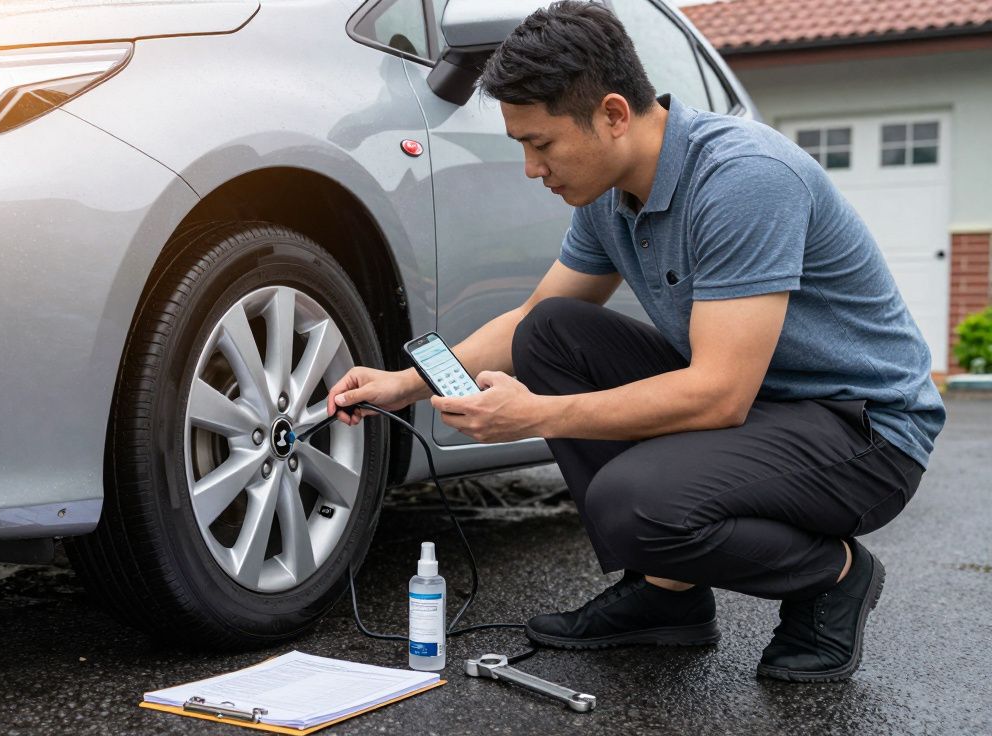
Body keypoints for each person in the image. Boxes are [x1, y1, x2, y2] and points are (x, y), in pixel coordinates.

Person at [324, 0, 944, 683]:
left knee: (632, 503)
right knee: (551, 332)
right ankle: (667, 595)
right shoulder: (607, 193)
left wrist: (536, 415)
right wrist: (404, 383)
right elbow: (535, 314)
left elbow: (719, 395)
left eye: (541, 144)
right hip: (765, 410)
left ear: (614, 115)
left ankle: (833, 576)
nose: (533, 169)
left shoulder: (744, 180)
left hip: (865, 433)